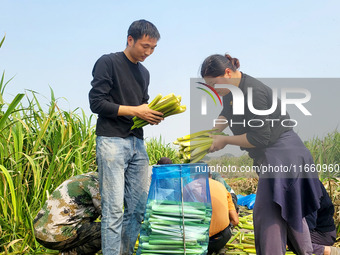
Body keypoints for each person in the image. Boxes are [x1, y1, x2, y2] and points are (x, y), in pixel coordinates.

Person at [200, 53, 323, 254]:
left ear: (228, 73)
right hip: (277, 156)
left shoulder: (253, 92)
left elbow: (259, 138)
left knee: (267, 215)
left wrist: (224, 140)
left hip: (283, 154)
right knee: (290, 209)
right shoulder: (232, 91)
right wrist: (212, 134)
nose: (213, 89)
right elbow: (226, 114)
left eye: (213, 83)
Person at [88, 20, 162, 254]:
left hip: (137, 143)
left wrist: (151, 114)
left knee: (138, 208)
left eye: (153, 48)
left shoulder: (144, 73)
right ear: (130, 40)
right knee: (113, 209)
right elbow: (96, 103)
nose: (148, 52)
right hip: (111, 141)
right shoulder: (108, 62)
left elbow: (142, 104)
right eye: (145, 46)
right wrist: (136, 110)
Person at [33, 172, 101, 255]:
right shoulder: (97, 183)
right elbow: (110, 216)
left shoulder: (88, 177)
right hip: (56, 235)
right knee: (109, 230)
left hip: (41, 231)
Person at [303, 181, 340, 255]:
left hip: (321, 234)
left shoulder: (309, 184)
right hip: (317, 231)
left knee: (285, 238)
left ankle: (328, 251)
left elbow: (308, 224)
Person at [208, 172, 239, 255]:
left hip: (195, 242)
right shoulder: (221, 187)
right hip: (219, 240)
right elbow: (235, 221)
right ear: (210, 175)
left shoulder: (187, 188)